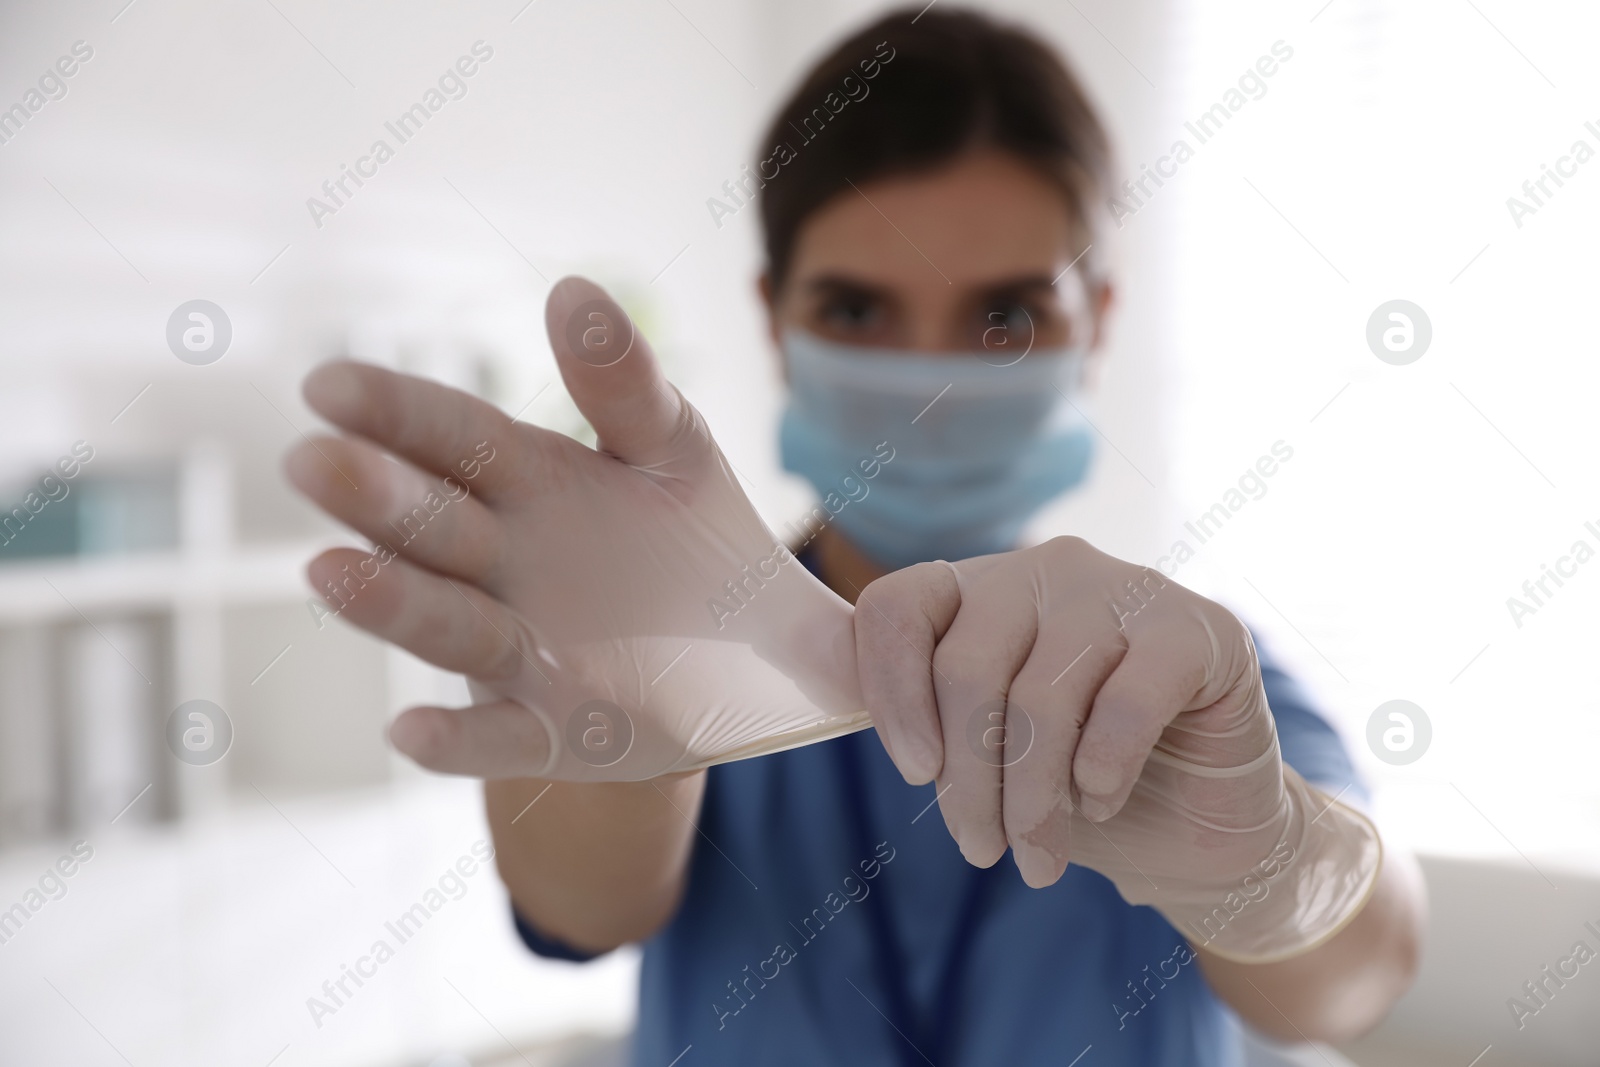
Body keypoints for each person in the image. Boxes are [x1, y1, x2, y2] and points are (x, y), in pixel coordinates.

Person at [287, 8, 1424, 1065]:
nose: (928, 377)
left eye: (1004, 316)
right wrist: (625, 728)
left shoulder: (1188, 688)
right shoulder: (676, 657)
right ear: (775, 318)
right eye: (856, 310)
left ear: (1098, 325)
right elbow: (581, 907)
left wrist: (1269, 867)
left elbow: (1357, 975)